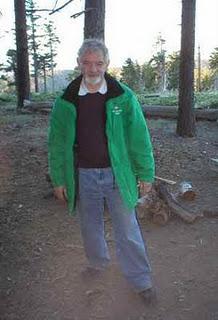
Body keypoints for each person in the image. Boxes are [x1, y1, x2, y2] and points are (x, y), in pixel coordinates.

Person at [48, 39, 156, 304]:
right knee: (90, 225)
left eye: (98, 63)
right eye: (87, 63)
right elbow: (57, 143)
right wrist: (59, 179)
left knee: (127, 228)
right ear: (79, 64)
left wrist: (145, 173)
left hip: (117, 174)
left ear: (107, 64)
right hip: (83, 174)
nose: (93, 68)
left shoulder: (122, 96)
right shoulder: (66, 100)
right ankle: (97, 264)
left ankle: (141, 281)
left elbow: (139, 137)